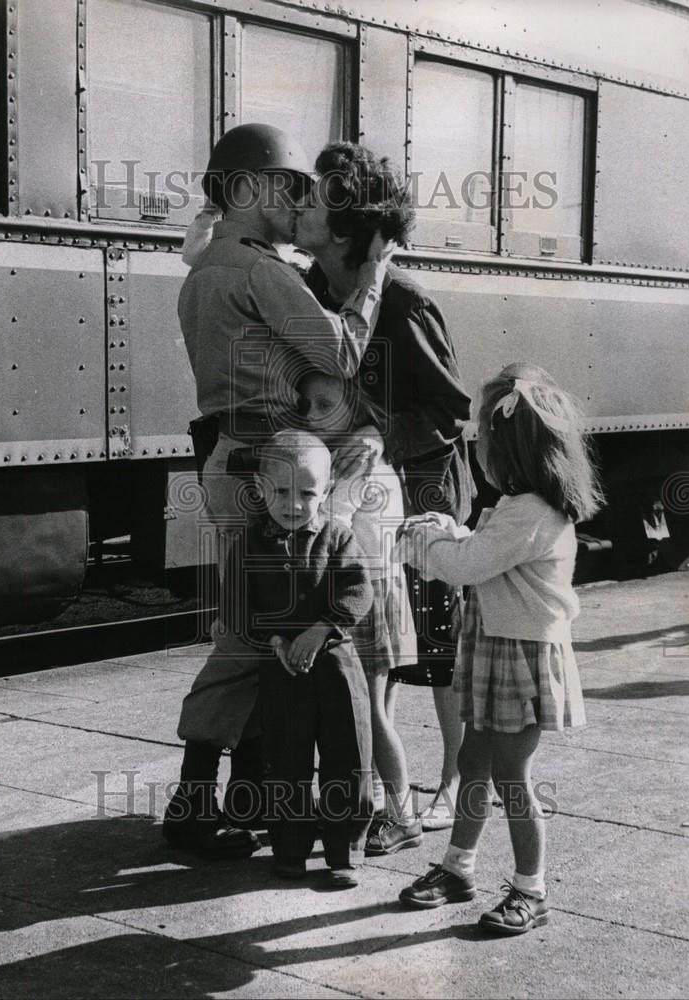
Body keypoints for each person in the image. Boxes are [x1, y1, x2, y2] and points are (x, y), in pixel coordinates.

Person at [163, 124, 393, 859]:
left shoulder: (209, 266)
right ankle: (196, 807)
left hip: (235, 458)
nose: (298, 198)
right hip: (266, 466)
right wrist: (376, 271)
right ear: (244, 188)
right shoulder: (261, 270)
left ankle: (240, 798)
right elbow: (344, 352)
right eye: (287, 185)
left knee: (259, 633)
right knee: (246, 640)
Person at [294, 142, 474, 848]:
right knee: (375, 645)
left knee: (435, 643)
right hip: (359, 493)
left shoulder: (402, 301)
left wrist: (374, 434)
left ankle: (454, 778)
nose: (297, 211)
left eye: (311, 204)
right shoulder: (310, 289)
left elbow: (449, 409)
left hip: (424, 487)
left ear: (344, 230)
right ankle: (378, 783)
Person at [396, 362, 604, 934]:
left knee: (511, 775)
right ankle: (459, 868)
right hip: (496, 647)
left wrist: (423, 542)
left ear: (508, 449)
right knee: (473, 763)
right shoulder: (522, 508)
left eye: (483, 438)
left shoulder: (532, 513)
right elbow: (487, 554)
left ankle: (532, 890)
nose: (477, 448)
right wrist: (451, 528)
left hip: (521, 655)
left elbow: (469, 565)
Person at [221, 430, 374, 888]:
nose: (293, 503)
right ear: (261, 490)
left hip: (335, 664)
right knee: (285, 757)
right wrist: (274, 642)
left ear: (326, 491)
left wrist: (319, 628)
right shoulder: (248, 544)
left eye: (307, 493)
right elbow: (237, 606)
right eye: (282, 491)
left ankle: (343, 848)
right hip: (281, 668)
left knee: (347, 754)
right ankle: (290, 848)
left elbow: (358, 589)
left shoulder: (338, 536)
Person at [296, 370, 421, 852]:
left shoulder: (353, 460)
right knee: (378, 708)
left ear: (355, 406)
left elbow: (332, 521)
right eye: (305, 405)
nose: (311, 415)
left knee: (368, 713)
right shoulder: (367, 450)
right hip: (385, 591)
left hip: (367, 596)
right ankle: (373, 808)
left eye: (323, 404)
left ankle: (403, 815)